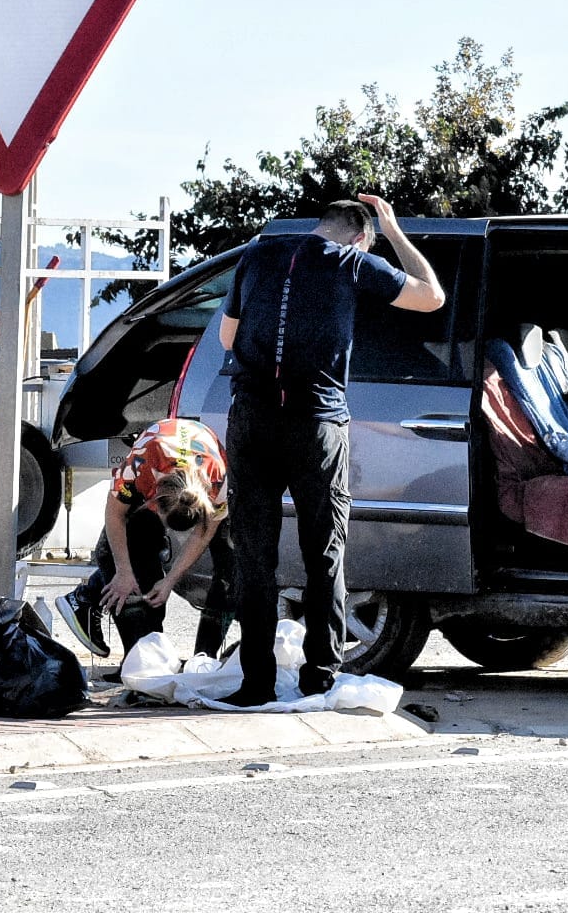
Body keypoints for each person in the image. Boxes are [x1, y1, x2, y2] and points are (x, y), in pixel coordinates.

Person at [219, 196, 444, 706]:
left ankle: (254, 682)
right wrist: (395, 230)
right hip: (315, 421)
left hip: (251, 417)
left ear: (319, 224)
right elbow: (432, 296)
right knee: (324, 549)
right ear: (361, 237)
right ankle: (319, 676)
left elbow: (229, 338)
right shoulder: (352, 262)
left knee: (254, 553)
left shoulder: (257, 255)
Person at [53, 418, 234, 670]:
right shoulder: (141, 465)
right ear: (153, 501)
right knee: (119, 558)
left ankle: (201, 663)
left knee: (228, 568)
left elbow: (203, 535)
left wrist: (169, 581)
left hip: (201, 452)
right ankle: (139, 660)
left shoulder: (216, 481)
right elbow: (114, 514)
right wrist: (124, 572)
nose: (168, 532)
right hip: (158, 447)